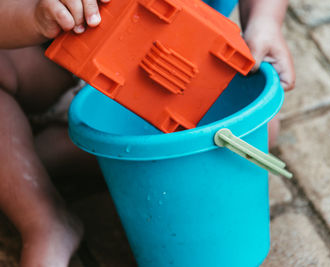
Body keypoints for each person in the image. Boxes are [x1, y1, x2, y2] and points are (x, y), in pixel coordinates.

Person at [0, 0, 294, 266]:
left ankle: (54, 155)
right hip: (54, 65)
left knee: (259, 131)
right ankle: (43, 219)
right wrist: (34, 18)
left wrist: (264, 20)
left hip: (176, 85)